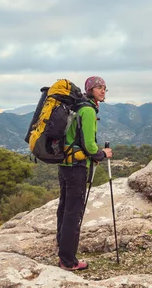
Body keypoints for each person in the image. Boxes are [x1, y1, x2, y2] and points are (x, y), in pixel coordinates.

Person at [56, 76, 112, 271]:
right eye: (99, 88)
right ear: (90, 90)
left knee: (64, 208)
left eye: (105, 88)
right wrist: (102, 153)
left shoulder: (78, 108)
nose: (103, 91)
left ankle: (63, 252)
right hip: (76, 167)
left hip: (64, 164)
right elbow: (89, 144)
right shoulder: (87, 110)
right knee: (73, 212)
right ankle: (68, 260)